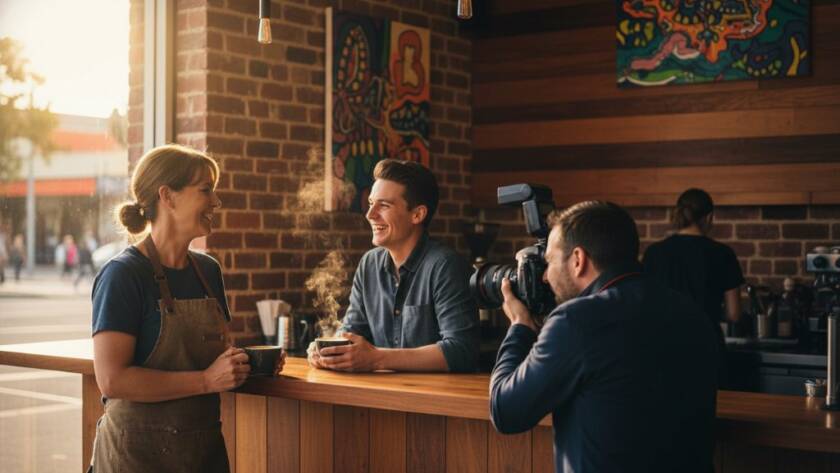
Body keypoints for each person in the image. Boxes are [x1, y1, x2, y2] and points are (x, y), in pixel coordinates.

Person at [89, 144, 284, 473]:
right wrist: (206, 381)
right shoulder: (122, 274)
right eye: (206, 190)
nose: (216, 201)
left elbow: (212, 358)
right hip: (134, 459)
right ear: (168, 196)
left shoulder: (208, 272)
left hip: (201, 456)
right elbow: (112, 380)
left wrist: (245, 363)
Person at [490, 201, 718, 473]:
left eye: (549, 262)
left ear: (578, 260)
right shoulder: (691, 313)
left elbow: (506, 412)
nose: (545, 278)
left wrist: (519, 325)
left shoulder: (575, 322)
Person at [307, 159, 479, 373]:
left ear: (417, 214)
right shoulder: (369, 264)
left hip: (434, 403)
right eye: (371, 203)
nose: (370, 214)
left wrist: (377, 359)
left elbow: (462, 351)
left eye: (384, 205)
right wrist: (327, 351)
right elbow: (351, 333)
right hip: (381, 401)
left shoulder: (445, 266)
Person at [642, 188, 744, 385]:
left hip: (662, 347)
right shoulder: (722, 253)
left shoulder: (654, 253)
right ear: (710, 217)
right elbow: (734, 314)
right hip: (706, 345)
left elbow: (645, 305)